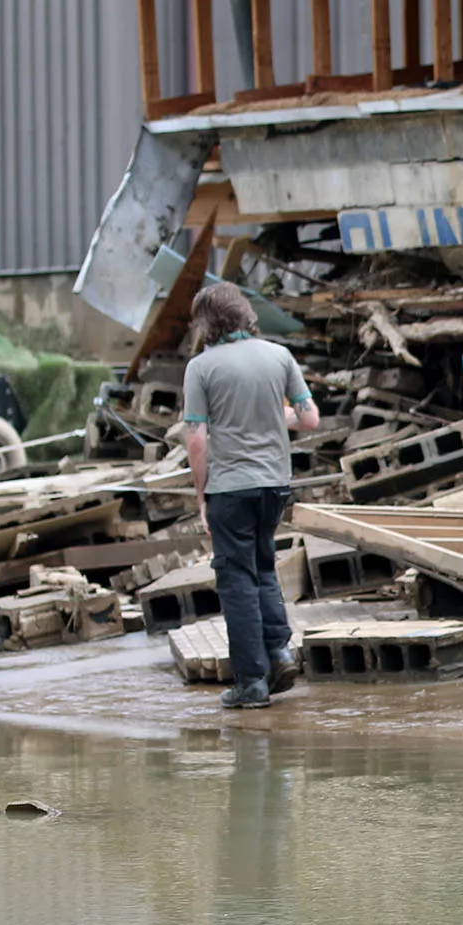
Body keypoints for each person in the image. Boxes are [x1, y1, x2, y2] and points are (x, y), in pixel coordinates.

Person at [182, 283, 319, 708]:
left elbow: (197, 441)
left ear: (205, 324)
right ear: (244, 315)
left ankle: (251, 682)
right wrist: (273, 413)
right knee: (263, 568)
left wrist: (201, 497)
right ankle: (278, 653)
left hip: (230, 488)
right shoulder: (279, 355)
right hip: (275, 484)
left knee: (236, 580)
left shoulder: (201, 368)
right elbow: (309, 419)